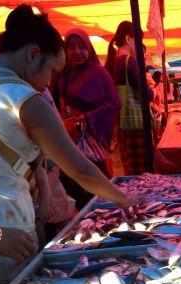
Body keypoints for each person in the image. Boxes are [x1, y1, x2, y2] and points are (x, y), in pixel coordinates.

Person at [0, 5, 138, 284]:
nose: (50, 83)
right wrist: (127, 201)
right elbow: (82, 171)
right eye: (51, 72)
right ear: (32, 55)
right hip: (7, 231)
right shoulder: (27, 102)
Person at [54, 28, 121, 209]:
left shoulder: (98, 73)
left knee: (95, 181)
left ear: (89, 49)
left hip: (91, 137)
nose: (77, 52)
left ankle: (105, 214)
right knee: (71, 181)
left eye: (82, 47)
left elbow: (114, 103)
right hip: (69, 135)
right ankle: (87, 215)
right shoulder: (62, 74)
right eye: (71, 47)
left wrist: (87, 118)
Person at [105, 21, 155, 176]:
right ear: (128, 39)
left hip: (124, 125)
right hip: (136, 127)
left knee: (133, 174)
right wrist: (154, 92)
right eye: (137, 40)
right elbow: (146, 94)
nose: (139, 45)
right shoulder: (128, 62)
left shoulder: (114, 62)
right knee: (144, 175)